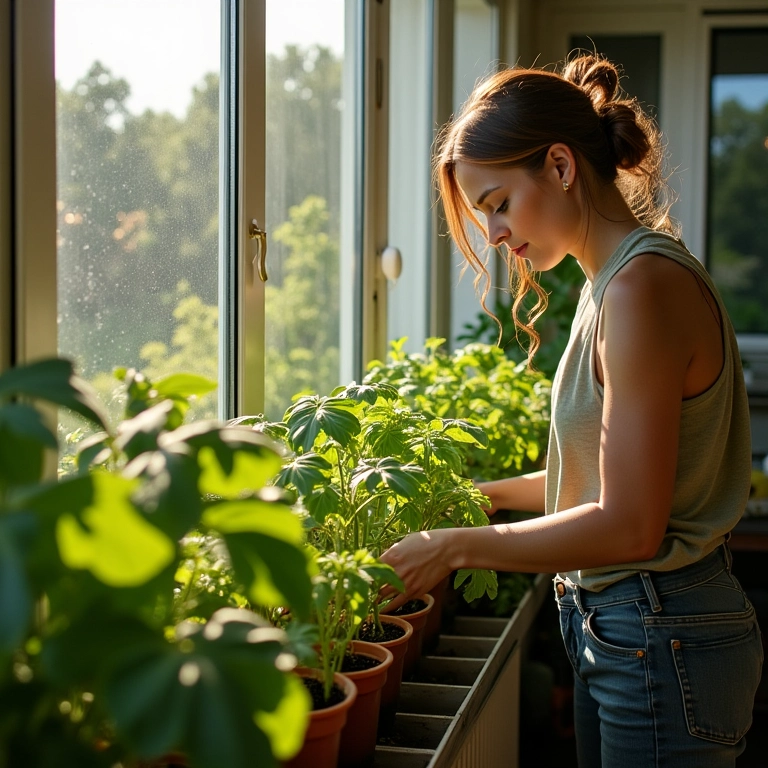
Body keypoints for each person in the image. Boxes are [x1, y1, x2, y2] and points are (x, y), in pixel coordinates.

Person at [380, 54, 764, 767]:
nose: (493, 234)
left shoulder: (640, 288)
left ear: (559, 166)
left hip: (659, 629)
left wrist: (457, 546)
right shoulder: (611, 282)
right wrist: (473, 500)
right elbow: (593, 482)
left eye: (496, 202)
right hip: (633, 628)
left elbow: (627, 524)